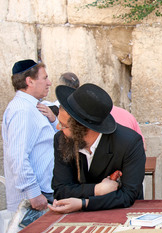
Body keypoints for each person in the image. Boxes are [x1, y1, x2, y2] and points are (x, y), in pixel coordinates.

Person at [48, 83, 146, 213]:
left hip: (119, 215)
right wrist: (97, 190)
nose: (58, 128)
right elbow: (60, 190)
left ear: (82, 129)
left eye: (63, 125)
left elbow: (127, 195)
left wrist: (84, 203)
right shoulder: (61, 139)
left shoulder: (130, 143)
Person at [2, 60, 58, 213]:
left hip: (43, 193)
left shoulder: (32, 107)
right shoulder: (21, 110)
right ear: (29, 81)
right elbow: (17, 155)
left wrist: (54, 121)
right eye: (44, 78)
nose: (49, 82)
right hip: (34, 199)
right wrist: (33, 193)